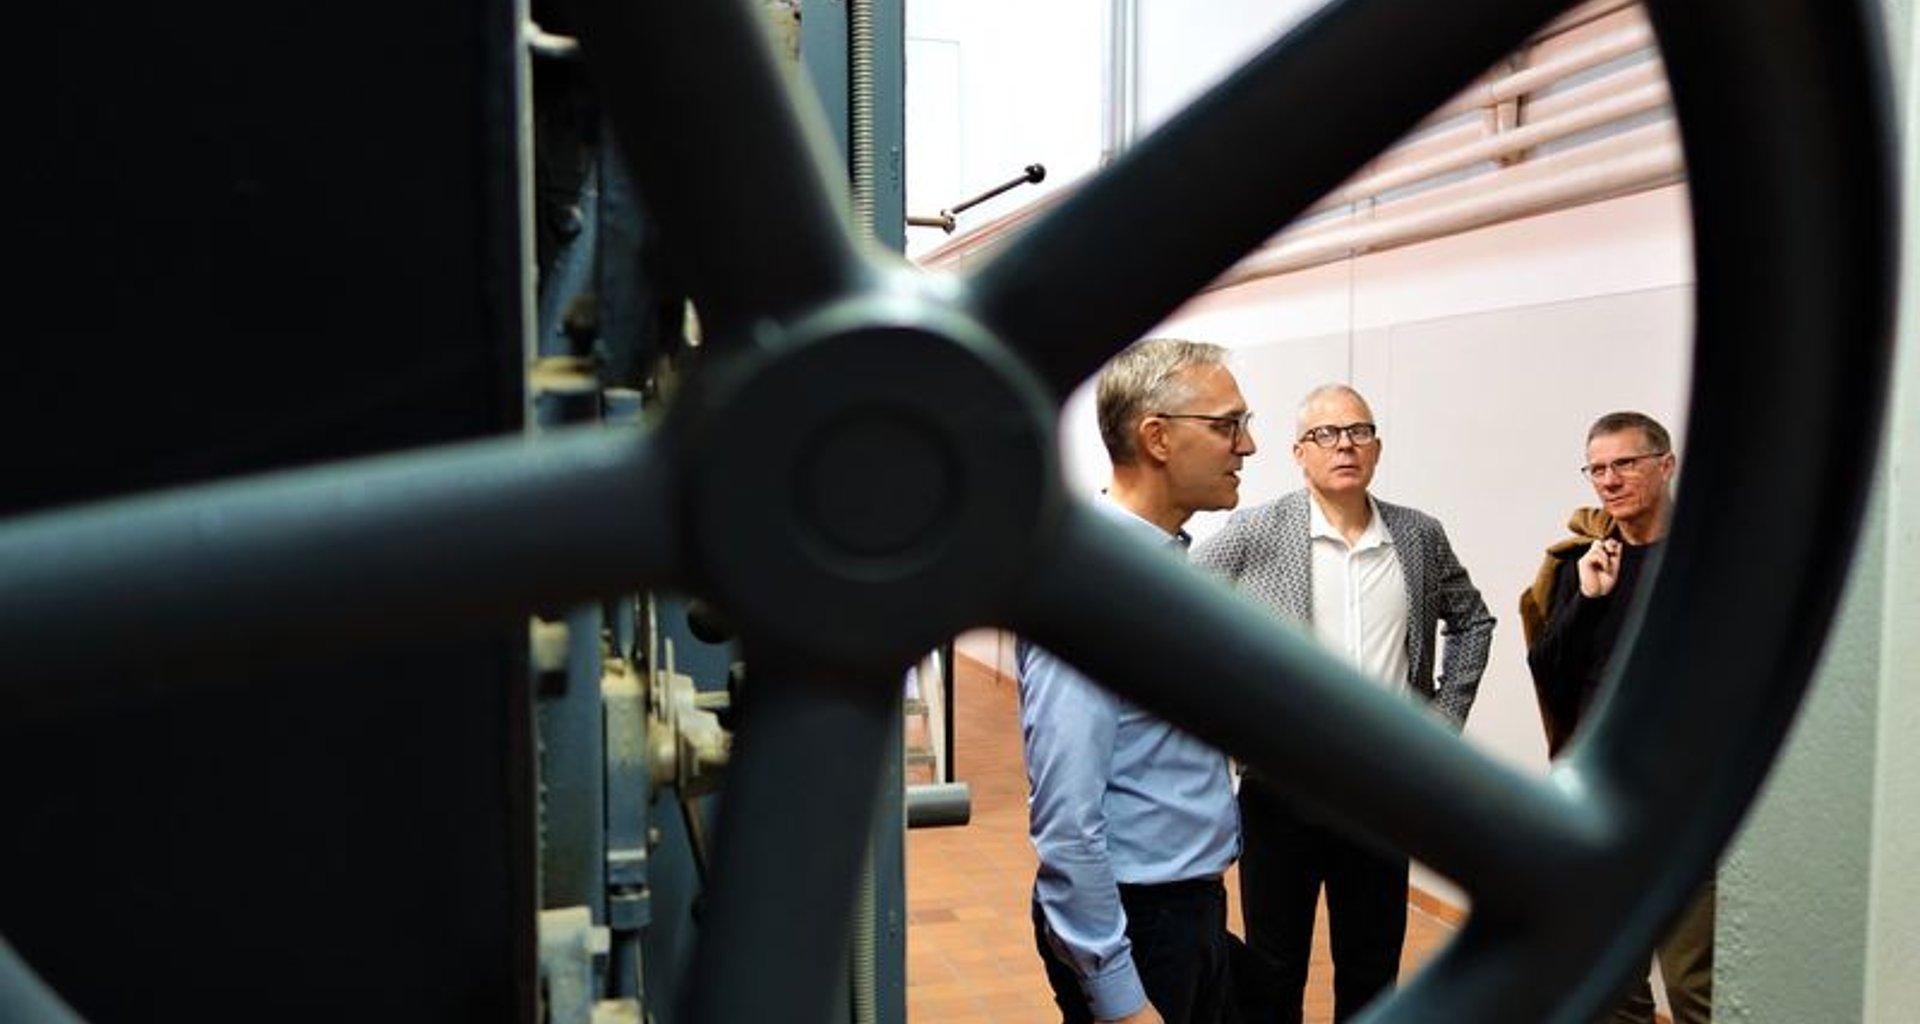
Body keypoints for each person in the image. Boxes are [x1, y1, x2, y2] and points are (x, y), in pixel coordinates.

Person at [1191, 383, 1494, 1023]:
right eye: (1325, 435)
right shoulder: (1254, 530)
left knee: (1371, 966)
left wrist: (1443, 722)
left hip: (1382, 795)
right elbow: (1177, 605)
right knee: (1274, 968)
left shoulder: (1417, 535)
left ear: (1377, 446)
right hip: (1281, 792)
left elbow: (1473, 621)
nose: (1344, 445)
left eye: (1358, 431)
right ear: (1299, 452)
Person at [1020, 337, 1258, 1024]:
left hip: (1187, 903)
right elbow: (1067, 824)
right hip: (1138, 919)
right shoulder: (1091, 592)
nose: (1246, 447)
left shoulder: (1160, 569)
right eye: (1226, 425)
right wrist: (1120, 995)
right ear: (1156, 437)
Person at [1519, 411, 1712, 1024]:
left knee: (1692, 987)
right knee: (1612, 984)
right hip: (1603, 803)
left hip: (1687, 801)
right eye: (1597, 469)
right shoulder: (1586, 560)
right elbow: (1548, 672)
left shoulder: (1707, 560)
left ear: (1666, 465)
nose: (1609, 480)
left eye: (1624, 463)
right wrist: (1589, 600)